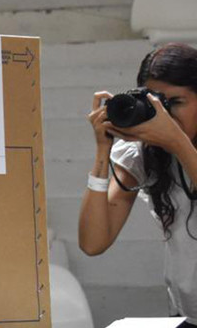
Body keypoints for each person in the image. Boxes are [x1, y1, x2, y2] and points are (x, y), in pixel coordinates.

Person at [78, 42, 197, 326]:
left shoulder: (171, 144)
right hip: (186, 314)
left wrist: (177, 143)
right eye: (157, 102)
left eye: (175, 102)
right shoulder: (145, 153)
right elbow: (93, 242)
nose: (165, 115)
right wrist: (102, 151)